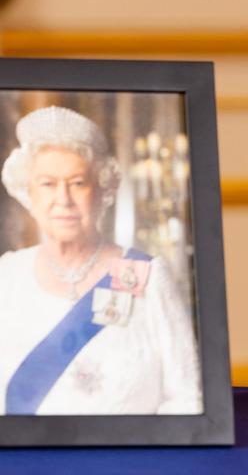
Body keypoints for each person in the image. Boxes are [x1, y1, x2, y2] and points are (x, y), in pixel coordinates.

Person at [0, 106, 202, 415]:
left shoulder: (147, 276)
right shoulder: (8, 276)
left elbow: (188, 399)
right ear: (29, 194)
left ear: (102, 190)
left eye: (78, 182)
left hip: (130, 461)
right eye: (47, 184)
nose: (63, 199)